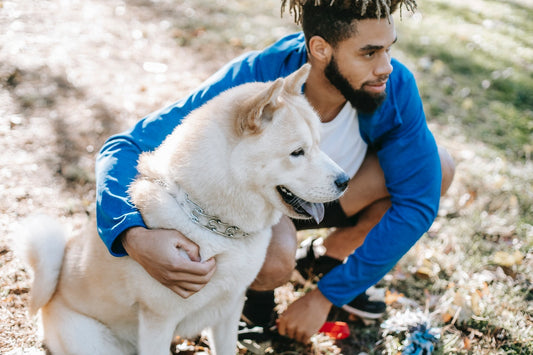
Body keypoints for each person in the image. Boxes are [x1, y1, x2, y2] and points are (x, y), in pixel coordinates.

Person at [96, 0, 455, 345]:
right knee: (274, 259)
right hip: (260, 200)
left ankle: (323, 263)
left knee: (439, 167)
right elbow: (123, 146)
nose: (387, 67)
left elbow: (417, 203)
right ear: (320, 48)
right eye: (369, 52)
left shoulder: (394, 86)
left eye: (389, 49)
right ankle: (256, 302)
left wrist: (324, 297)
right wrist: (132, 235)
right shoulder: (255, 79)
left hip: (333, 189)